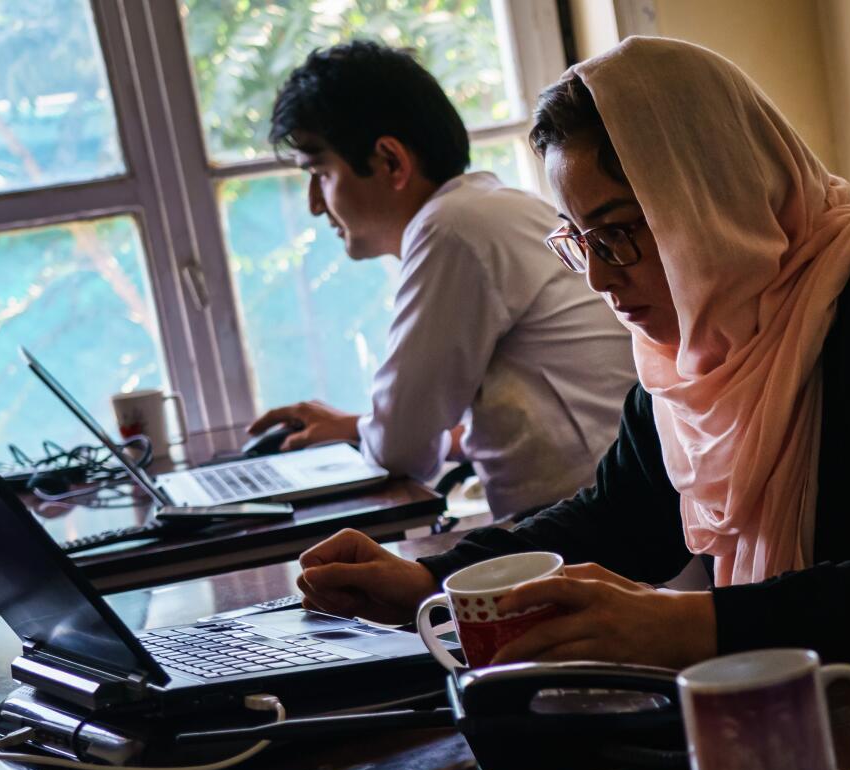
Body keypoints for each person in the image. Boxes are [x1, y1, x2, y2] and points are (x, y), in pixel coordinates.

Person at [295, 37, 850, 704]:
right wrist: (432, 580)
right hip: (828, 714)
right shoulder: (699, 349)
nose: (597, 275)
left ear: (710, 199)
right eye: (579, 239)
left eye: (620, 232)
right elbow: (623, 514)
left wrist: (682, 624)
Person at [250, 40, 635, 520]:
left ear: (390, 162)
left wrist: (372, 430)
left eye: (320, 172)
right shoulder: (482, 210)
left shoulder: (453, 230)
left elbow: (401, 450)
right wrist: (357, 425)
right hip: (585, 518)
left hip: (588, 536)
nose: (313, 203)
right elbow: (472, 424)